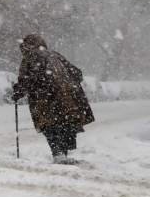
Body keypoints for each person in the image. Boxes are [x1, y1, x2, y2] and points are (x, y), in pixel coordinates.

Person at [12, 34, 95, 164]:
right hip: (69, 98)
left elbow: (30, 79)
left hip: (46, 99)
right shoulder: (55, 55)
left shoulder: (31, 57)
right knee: (65, 125)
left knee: (49, 125)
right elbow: (77, 73)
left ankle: (58, 154)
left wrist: (19, 91)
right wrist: (66, 83)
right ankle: (63, 155)